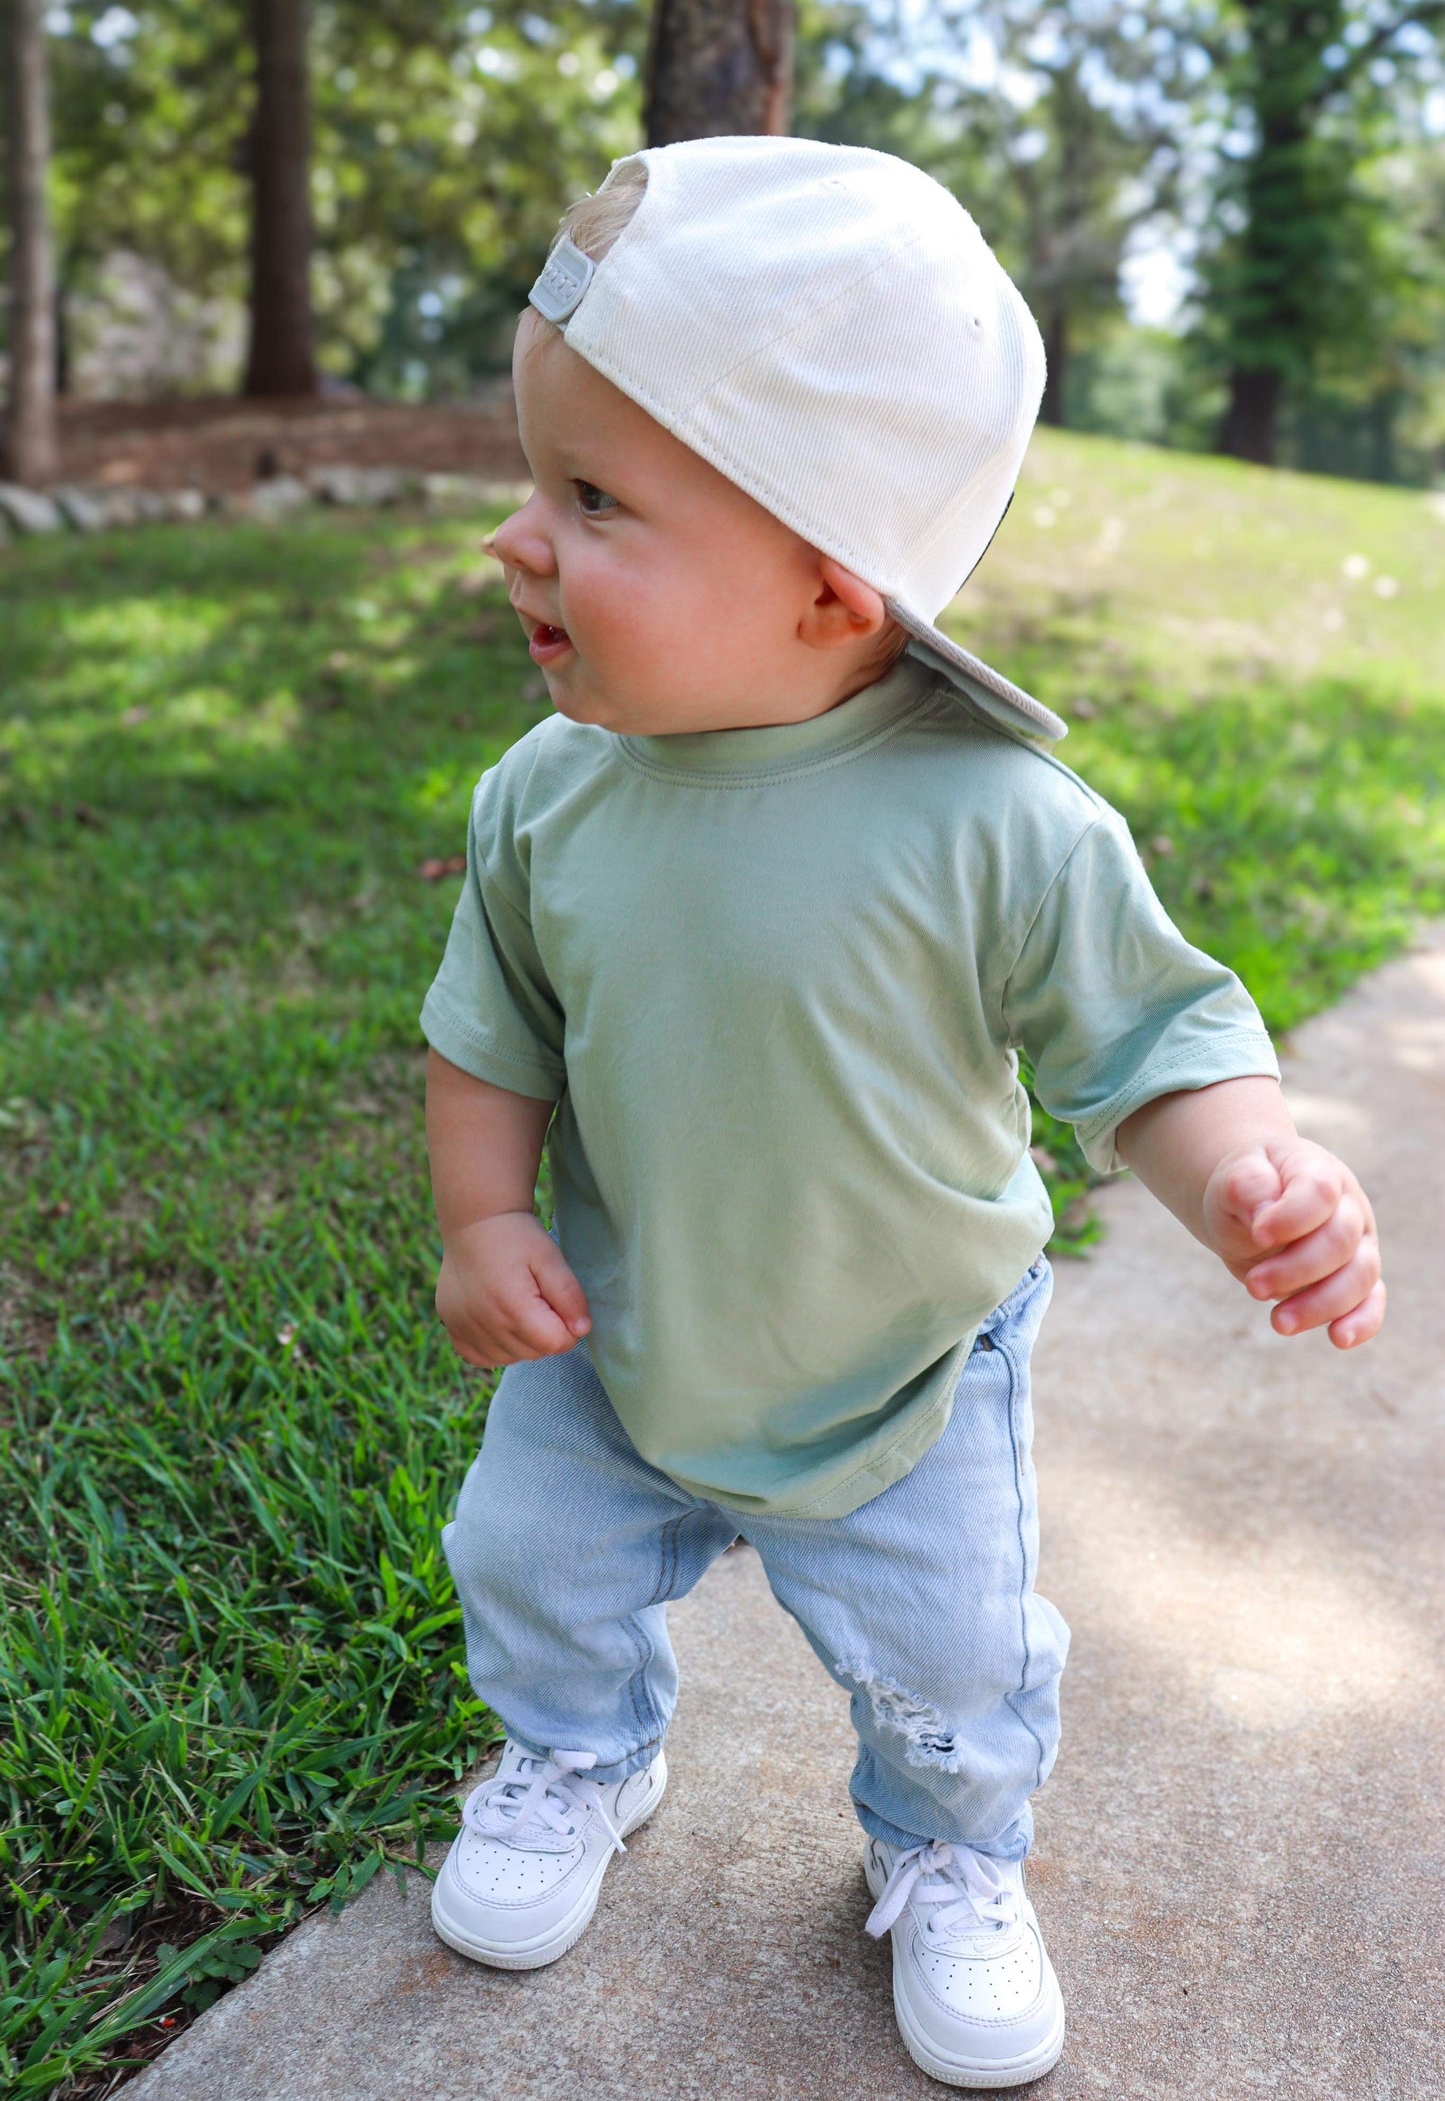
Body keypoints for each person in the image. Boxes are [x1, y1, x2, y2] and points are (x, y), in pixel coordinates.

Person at [418, 137, 1383, 2089]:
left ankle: (948, 1848)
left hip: (904, 1367)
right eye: (536, 480)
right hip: (615, 1336)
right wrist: (483, 1221)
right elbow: (490, 1030)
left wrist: (1250, 1174)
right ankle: (582, 1748)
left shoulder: (995, 822)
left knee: (949, 1668)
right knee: (527, 1558)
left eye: (592, 498)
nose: (516, 541)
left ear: (830, 586)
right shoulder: (547, 794)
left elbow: (1153, 1041)